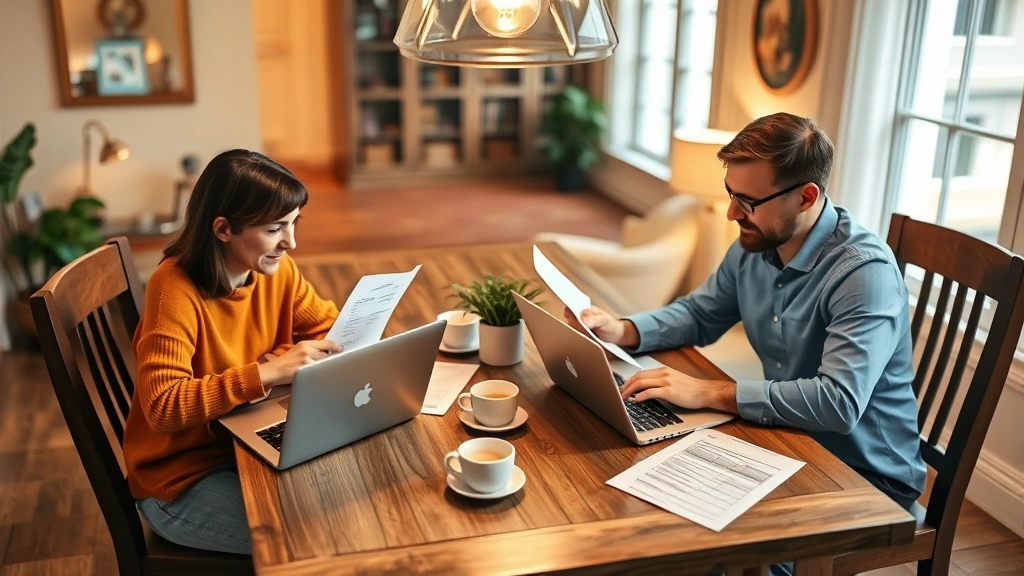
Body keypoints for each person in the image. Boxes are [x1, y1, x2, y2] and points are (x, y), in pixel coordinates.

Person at [569, 113, 926, 514]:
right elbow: (702, 313)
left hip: (866, 476)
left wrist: (708, 391)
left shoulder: (863, 274)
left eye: (749, 202)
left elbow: (838, 402)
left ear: (806, 197)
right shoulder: (755, 244)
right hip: (789, 440)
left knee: (691, 529)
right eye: (731, 194)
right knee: (645, 494)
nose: (732, 214)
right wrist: (623, 330)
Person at [123, 149, 342, 555]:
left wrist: (274, 358)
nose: (291, 242)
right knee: (316, 542)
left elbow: (330, 329)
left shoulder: (274, 269)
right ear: (223, 229)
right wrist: (265, 375)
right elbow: (163, 406)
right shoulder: (173, 289)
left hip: (243, 438)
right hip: (183, 480)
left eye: (294, 224)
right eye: (276, 228)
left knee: (348, 505)